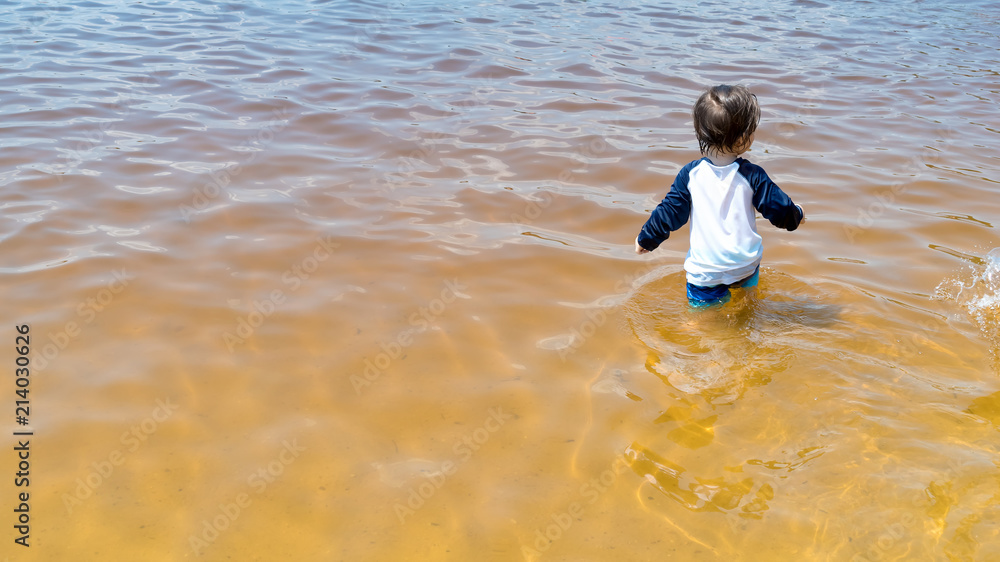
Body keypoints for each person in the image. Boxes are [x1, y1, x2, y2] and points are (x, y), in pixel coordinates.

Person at [634, 84, 804, 306]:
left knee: (703, 323)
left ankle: (695, 327)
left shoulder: (691, 174)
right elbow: (779, 209)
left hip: (706, 272)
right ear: (744, 139)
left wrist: (646, 238)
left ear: (700, 132)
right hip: (745, 265)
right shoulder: (752, 175)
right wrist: (797, 215)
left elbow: (670, 212)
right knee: (746, 307)